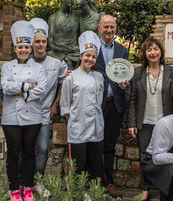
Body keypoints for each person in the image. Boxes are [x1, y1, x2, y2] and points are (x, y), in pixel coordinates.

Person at [128, 37, 173, 201]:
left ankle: (166, 187)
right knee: (144, 157)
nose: (153, 52)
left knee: (167, 155)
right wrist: (132, 123)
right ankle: (145, 189)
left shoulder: (170, 71)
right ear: (145, 53)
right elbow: (133, 100)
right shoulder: (138, 72)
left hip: (166, 122)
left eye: (156, 49)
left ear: (161, 52)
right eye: (149, 49)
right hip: (145, 122)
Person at [1, 21, 47, 201]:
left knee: (29, 152)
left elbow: (41, 89)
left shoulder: (38, 67)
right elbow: (5, 87)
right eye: (20, 47)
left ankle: (27, 188)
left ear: (30, 48)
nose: (23, 50)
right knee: (13, 154)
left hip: (33, 117)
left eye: (26, 47)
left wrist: (18, 88)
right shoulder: (6, 67)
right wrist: (29, 86)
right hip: (11, 117)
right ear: (15, 48)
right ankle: (14, 190)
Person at [60, 31, 106, 188]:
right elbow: (65, 106)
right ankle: (76, 194)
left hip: (96, 129)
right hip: (78, 131)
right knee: (76, 168)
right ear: (81, 56)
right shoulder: (70, 78)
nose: (90, 59)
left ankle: (94, 194)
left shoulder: (99, 77)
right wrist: (74, 122)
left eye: (93, 57)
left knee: (96, 168)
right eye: (87, 55)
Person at [29, 18, 69, 183]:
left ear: (47, 43)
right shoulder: (25, 62)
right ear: (32, 43)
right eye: (37, 42)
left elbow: (64, 83)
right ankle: (23, 182)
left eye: (43, 42)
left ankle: (38, 181)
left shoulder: (57, 62)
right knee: (25, 150)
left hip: (45, 113)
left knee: (43, 148)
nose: (40, 45)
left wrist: (55, 103)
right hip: (25, 113)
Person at [96, 15, 129, 197]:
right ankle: (93, 182)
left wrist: (125, 84)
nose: (109, 30)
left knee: (109, 145)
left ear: (116, 28)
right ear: (99, 27)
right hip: (96, 105)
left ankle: (108, 183)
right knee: (94, 145)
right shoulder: (92, 49)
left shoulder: (122, 50)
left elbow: (125, 74)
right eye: (106, 27)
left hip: (114, 105)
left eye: (112, 27)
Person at [48, 0, 79, 68]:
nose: (71, 0)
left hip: (74, 52)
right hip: (57, 51)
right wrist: (65, 50)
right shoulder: (53, 18)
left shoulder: (77, 16)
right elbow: (50, 42)